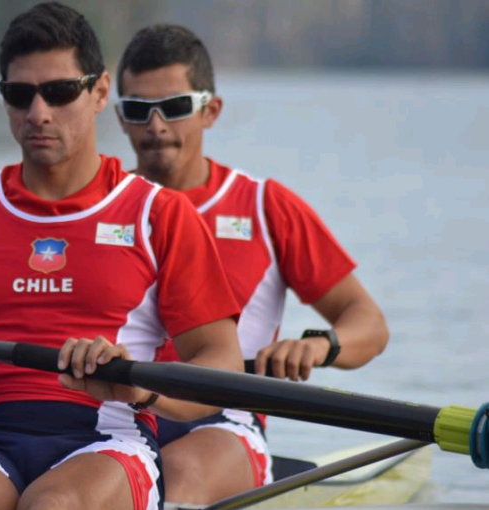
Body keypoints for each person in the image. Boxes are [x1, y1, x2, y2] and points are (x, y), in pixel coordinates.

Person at [0, 5, 245, 510]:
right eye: (20, 95)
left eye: (59, 92)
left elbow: (222, 364)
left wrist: (136, 388)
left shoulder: (158, 214)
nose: (38, 113)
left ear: (100, 93)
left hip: (110, 439)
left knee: (53, 506)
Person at [115, 24, 391, 505]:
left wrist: (321, 347)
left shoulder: (266, 207)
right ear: (120, 118)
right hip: (115, 412)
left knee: (177, 477)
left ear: (211, 110)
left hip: (224, 418)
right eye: (138, 111)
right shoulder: (99, 207)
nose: (156, 126)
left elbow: (368, 323)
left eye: (176, 107)